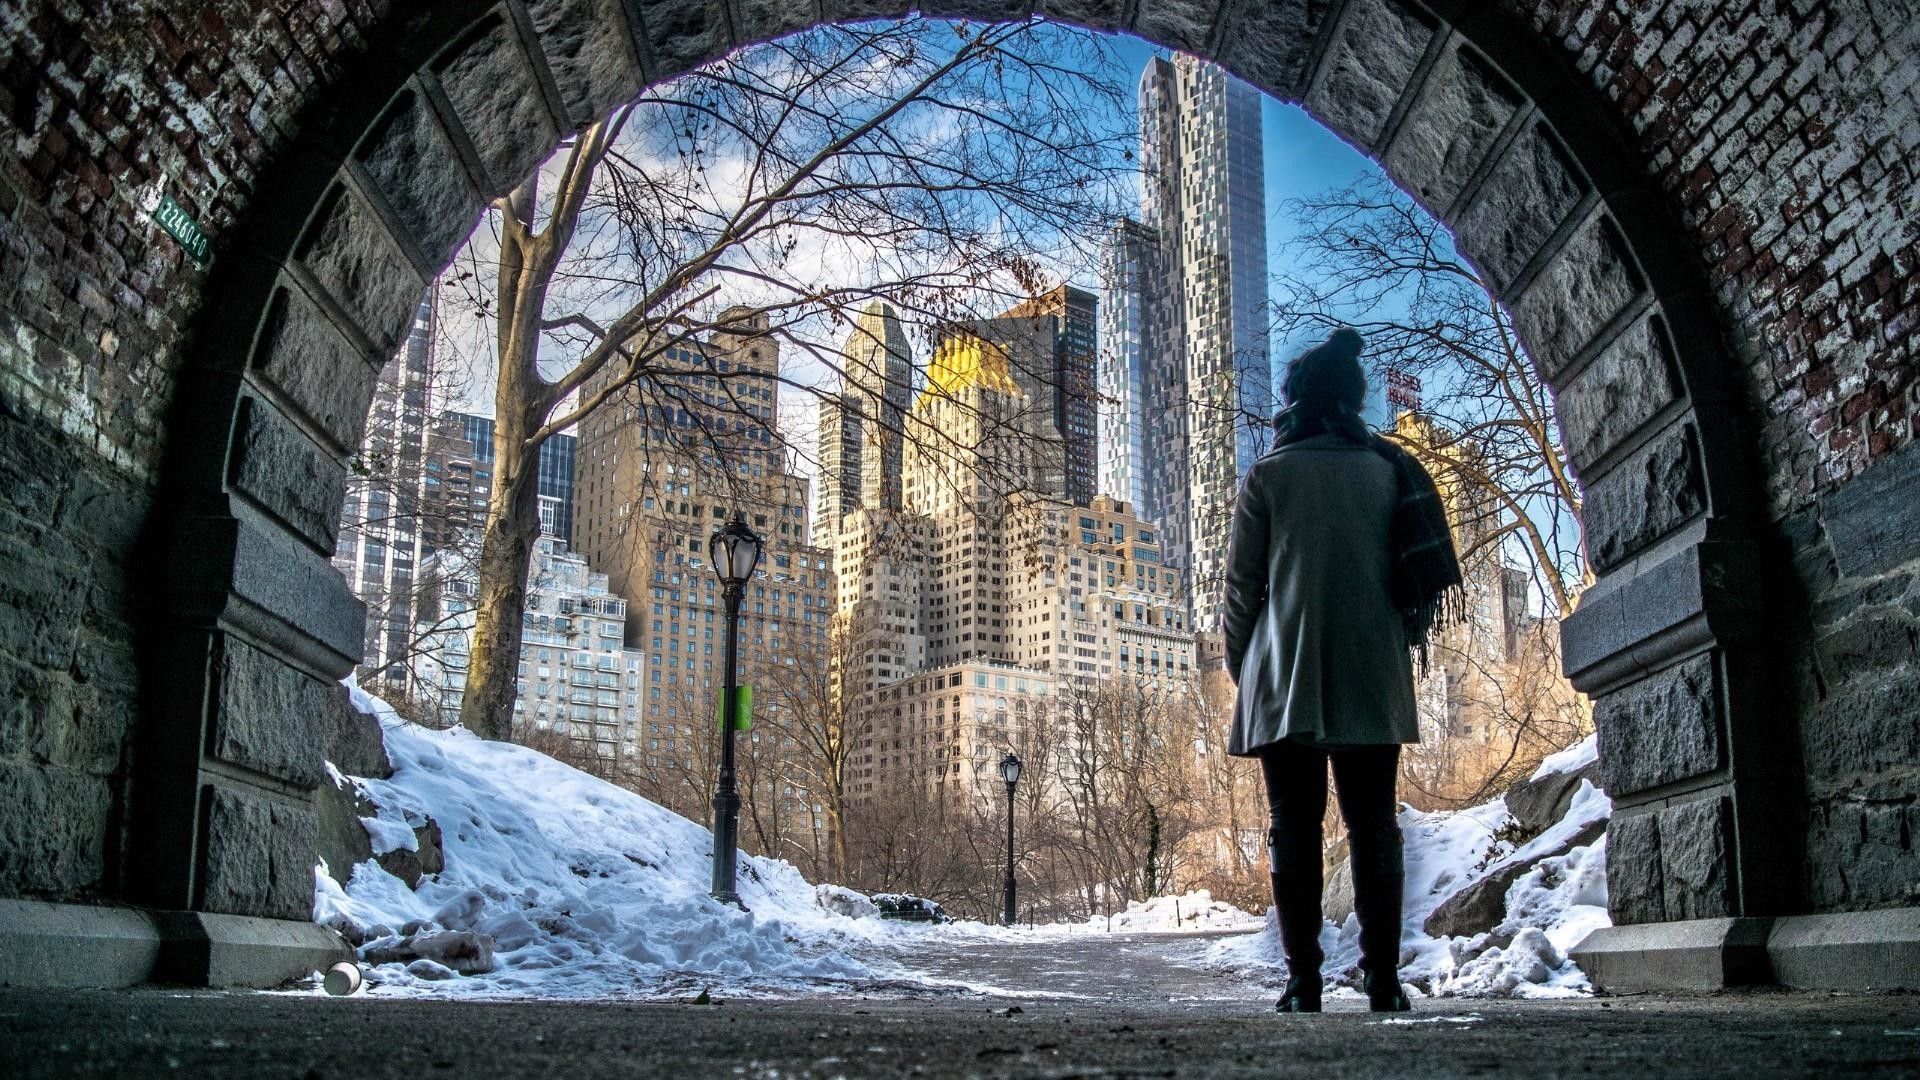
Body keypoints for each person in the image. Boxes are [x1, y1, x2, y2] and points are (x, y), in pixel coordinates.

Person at [1222, 327, 1462, 1014]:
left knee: (1291, 828)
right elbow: (1414, 587)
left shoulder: (1269, 474)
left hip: (1282, 674)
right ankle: (1383, 980)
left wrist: (1248, 667)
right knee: (1374, 826)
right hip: (1370, 669)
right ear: (1354, 401)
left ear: (1295, 401)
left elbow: (1243, 588)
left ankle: (1304, 983)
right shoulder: (1391, 470)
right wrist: (1394, 641)